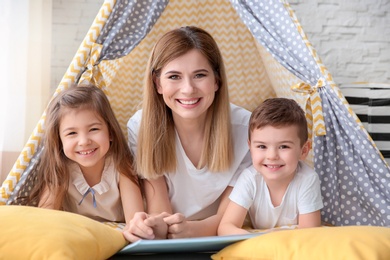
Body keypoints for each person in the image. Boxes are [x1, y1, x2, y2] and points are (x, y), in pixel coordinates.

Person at [124, 26, 252, 241]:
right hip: (174, 237)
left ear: (216, 81)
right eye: (174, 76)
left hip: (221, 234)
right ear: (158, 84)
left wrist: (192, 230)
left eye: (199, 75)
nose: (188, 89)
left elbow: (229, 217)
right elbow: (160, 209)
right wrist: (154, 225)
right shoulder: (141, 125)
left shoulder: (245, 128)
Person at [29, 84, 144, 228]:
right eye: (72, 133)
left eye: (94, 129)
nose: (84, 142)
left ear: (111, 132)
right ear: (59, 140)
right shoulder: (60, 169)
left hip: (118, 236)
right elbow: (44, 220)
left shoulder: (121, 165)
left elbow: (135, 221)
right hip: (78, 236)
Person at [218, 98, 324, 236]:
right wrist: (256, 242)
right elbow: (225, 228)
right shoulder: (249, 179)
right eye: (262, 146)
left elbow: (309, 233)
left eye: (284, 146)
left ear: (303, 151)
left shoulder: (307, 179)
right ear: (250, 147)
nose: (272, 156)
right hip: (261, 245)